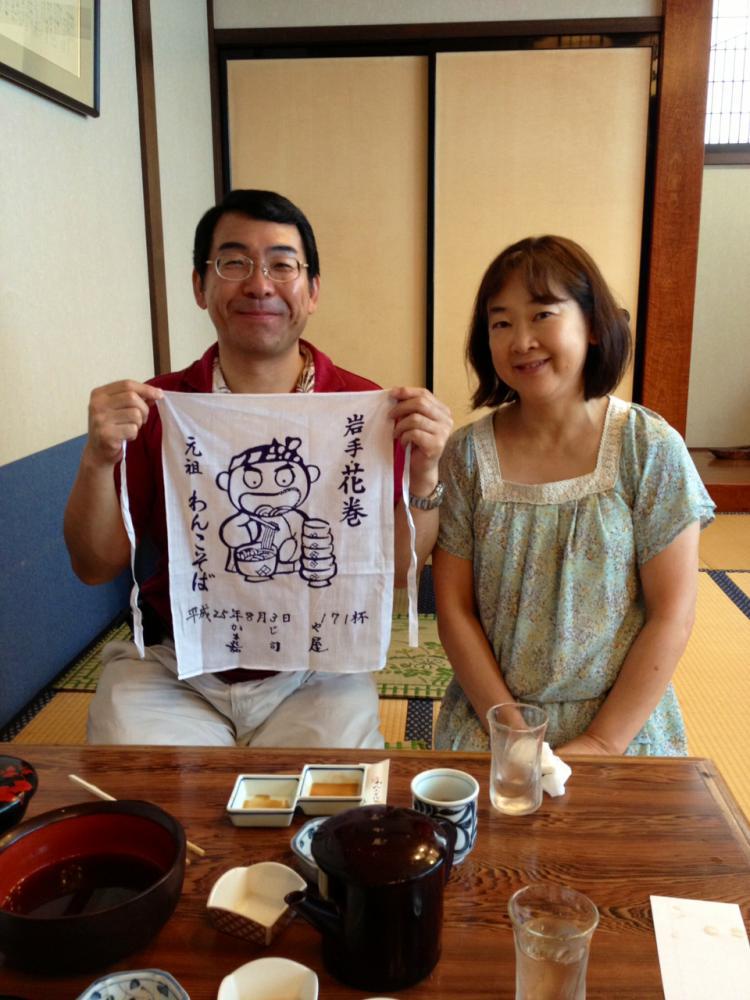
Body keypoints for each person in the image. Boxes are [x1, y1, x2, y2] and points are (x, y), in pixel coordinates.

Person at [64, 189, 452, 748]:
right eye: (234, 263)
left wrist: (425, 473)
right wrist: (97, 459)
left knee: (337, 786)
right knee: (137, 777)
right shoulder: (159, 407)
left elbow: (395, 572)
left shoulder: (363, 411)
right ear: (200, 286)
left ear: (312, 291)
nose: (260, 284)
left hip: (316, 668)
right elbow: (93, 565)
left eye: (282, 265)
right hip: (176, 663)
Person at [433, 235, 714, 756]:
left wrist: (602, 743)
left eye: (542, 315)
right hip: (492, 721)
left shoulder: (648, 447)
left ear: (593, 326)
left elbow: (672, 613)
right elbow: (454, 610)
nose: (521, 341)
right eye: (501, 323)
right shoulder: (466, 455)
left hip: (624, 726)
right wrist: (513, 732)